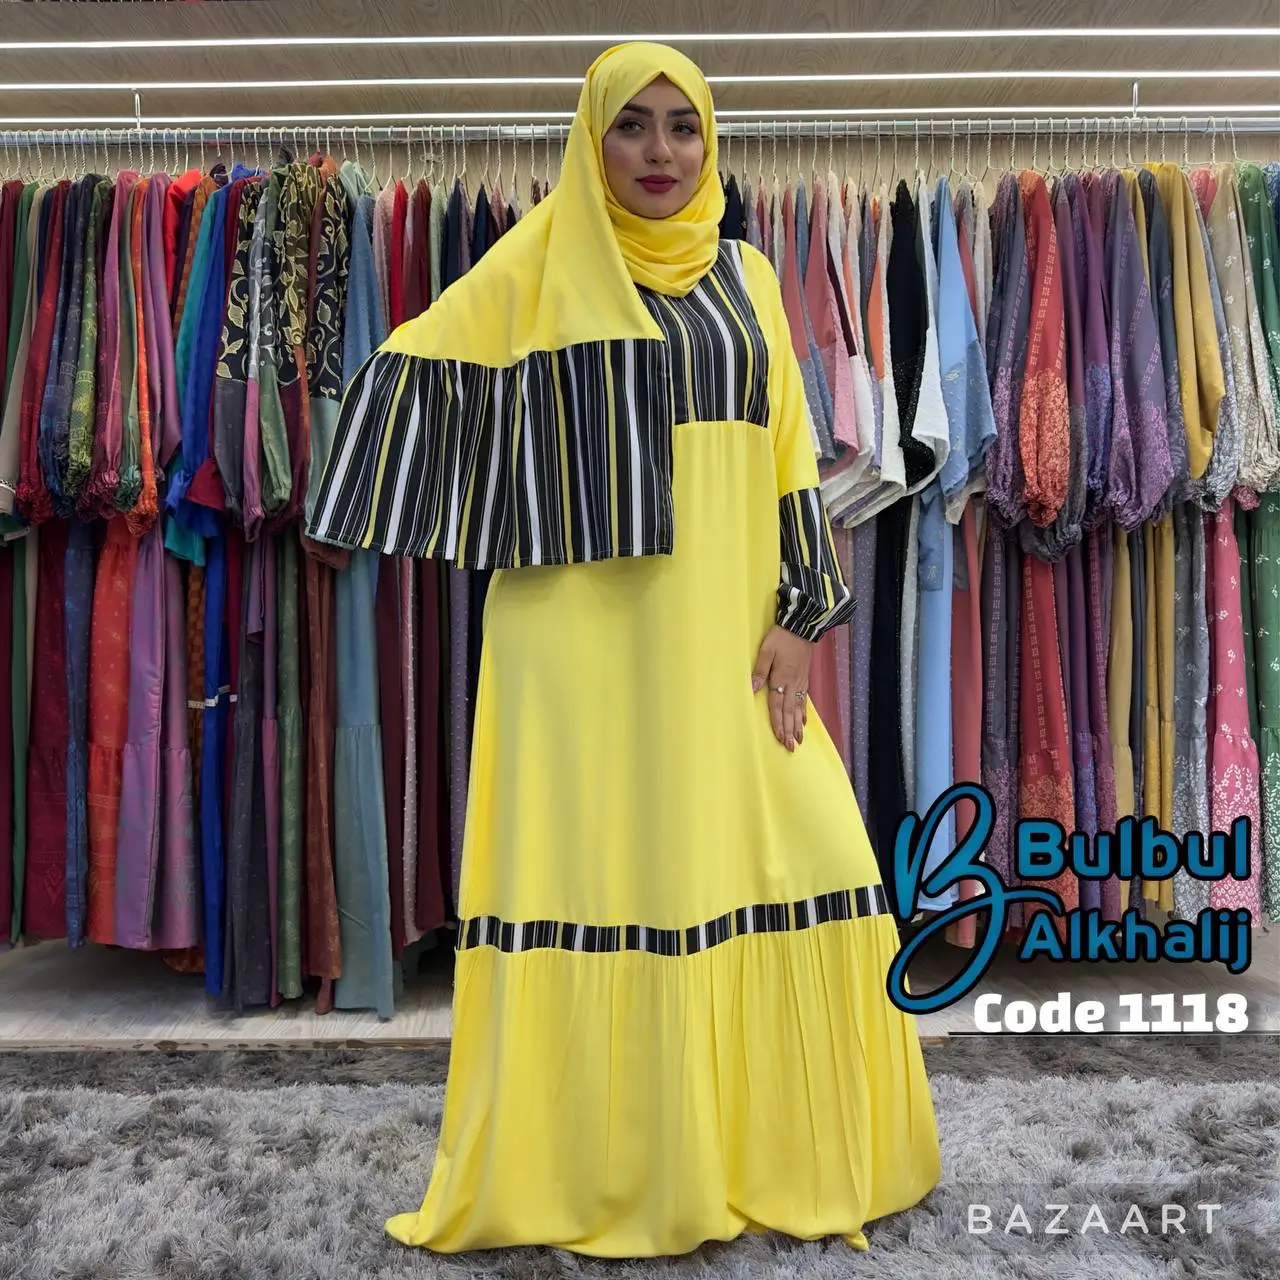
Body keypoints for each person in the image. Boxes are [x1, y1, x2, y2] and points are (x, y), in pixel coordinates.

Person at [307, 40, 940, 1259]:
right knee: (604, 870)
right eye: (631, 125)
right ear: (590, 141)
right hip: (575, 643)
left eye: (681, 125)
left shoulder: (750, 275)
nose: (659, 151)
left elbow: (787, 447)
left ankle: (769, 1144)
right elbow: (408, 370)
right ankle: (610, 1161)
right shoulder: (540, 261)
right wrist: (374, 505)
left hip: (725, 632)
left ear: (710, 142)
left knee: (803, 843)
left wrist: (800, 614)